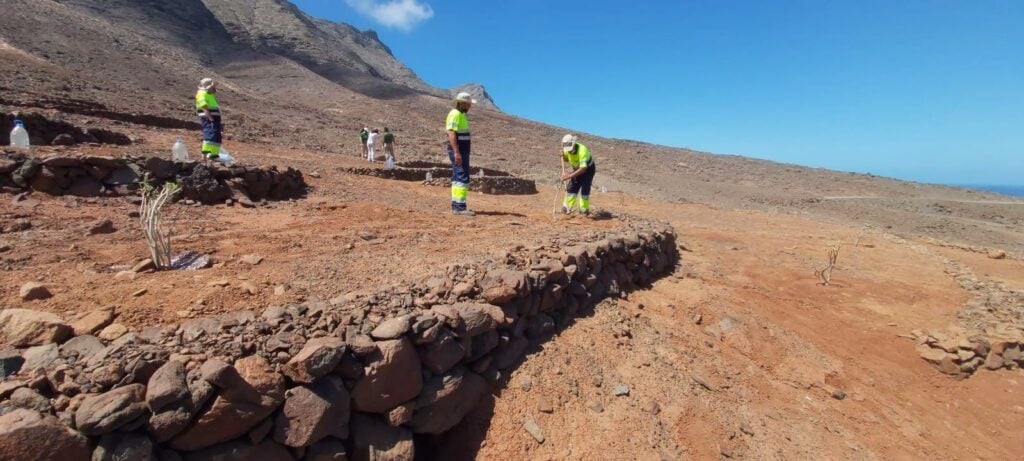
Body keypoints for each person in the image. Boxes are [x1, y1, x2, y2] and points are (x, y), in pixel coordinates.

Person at [446, 92, 476, 216]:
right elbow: (451, 133)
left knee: (458, 178)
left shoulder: (461, 115)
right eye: (468, 104)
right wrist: (456, 152)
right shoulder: (455, 114)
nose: (470, 106)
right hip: (459, 151)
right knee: (462, 177)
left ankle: (456, 206)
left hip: (462, 150)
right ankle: (459, 207)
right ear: (462, 103)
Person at [560, 134, 596, 215]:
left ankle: (583, 209)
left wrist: (568, 176)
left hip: (588, 170)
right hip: (577, 169)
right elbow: (567, 159)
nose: (569, 151)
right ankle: (567, 207)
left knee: (585, 189)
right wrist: (563, 156)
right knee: (572, 187)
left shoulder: (582, 150)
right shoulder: (566, 149)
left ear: (573, 144)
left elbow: (583, 169)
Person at [195, 78, 222, 161]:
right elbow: (204, 106)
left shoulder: (210, 94)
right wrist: (210, 117)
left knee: (217, 135)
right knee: (210, 133)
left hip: (215, 118)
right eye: (213, 87)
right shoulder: (201, 94)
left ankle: (214, 155)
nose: (215, 88)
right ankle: (204, 155)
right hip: (209, 118)